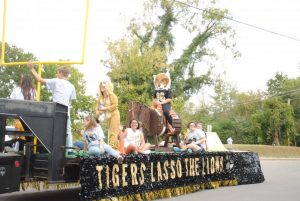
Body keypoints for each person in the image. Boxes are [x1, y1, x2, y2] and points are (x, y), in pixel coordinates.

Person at [28, 63, 76, 151]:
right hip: (66, 111)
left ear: (61, 73)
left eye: (57, 73)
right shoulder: (71, 86)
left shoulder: (57, 81)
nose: (56, 74)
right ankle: (69, 150)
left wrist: (32, 69)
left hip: (56, 110)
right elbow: (70, 99)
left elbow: (39, 79)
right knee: (67, 131)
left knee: (51, 129)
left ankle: (49, 148)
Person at [95, 81, 120, 149]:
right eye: (101, 86)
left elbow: (115, 105)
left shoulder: (112, 95)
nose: (102, 87)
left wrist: (104, 108)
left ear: (108, 87)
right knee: (112, 132)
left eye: (104, 86)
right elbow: (97, 109)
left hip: (114, 115)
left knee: (113, 132)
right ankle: (116, 147)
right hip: (107, 116)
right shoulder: (100, 98)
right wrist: (98, 114)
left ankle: (112, 148)